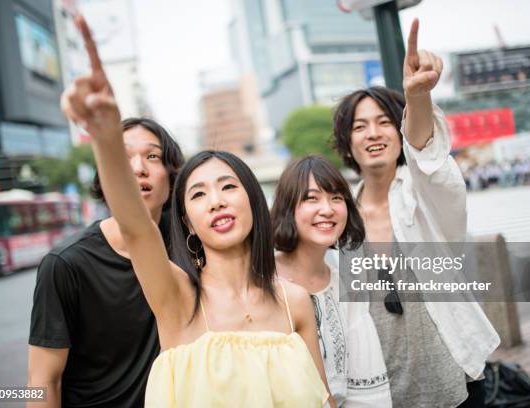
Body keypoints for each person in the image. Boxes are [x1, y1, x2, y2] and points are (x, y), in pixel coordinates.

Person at [59, 14, 335, 408]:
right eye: (199, 194)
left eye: (227, 187)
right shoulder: (177, 297)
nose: (217, 201)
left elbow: (324, 400)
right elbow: (137, 227)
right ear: (186, 220)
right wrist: (104, 136)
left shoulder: (294, 301)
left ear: (253, 202)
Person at [331, 19, 500, 408]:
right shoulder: (337, 216)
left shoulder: (420, 194)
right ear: (347, 142)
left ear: (400, 131)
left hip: (448, 378)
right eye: (360, 126)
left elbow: (428, 156)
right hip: (376, 387)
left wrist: (417, 98)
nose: (373, 133)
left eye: (384, 122)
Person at [27, 116, 185, 407]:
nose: (138, 169)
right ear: (106, 176)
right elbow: (42, 381)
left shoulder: (190, 244)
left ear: (172, 175)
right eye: (123, 158)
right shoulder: (65, 264)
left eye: (152, 156)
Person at [271, 155, 392, 407]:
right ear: (287, 207)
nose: (327, 209)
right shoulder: (263, 279)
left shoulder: (345, 281)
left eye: (336, 198)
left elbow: (365, 388)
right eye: (311, 198)